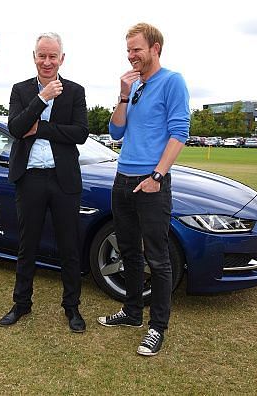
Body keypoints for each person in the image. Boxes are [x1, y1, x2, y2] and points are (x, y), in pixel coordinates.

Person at [97, 23, 190, 356]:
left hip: (151, 182)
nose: (131, 55)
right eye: (128, 50)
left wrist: (158, 176)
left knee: (158, 258)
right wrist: (123, 94)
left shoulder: (172, 82)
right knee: (129, 252)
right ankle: (133, 312)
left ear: (155, 49)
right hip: (121, 179)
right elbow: (116, 131)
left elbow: (180, 132)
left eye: (136, 49)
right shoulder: (134, 87)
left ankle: (157, 327)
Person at [0, 32, 89, 333]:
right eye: (42, 55)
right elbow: (15, 127)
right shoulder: (21, 90)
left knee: (69, 247)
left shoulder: (75, 91)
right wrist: (42, 98)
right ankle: (21, 304)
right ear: (34, 57)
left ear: (62, 58)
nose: (47, 61)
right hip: (30, 179)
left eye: (53, 56)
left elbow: (80, 133)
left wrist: (40, 128)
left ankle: (72, 308)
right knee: (28, 244)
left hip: (63, 180)